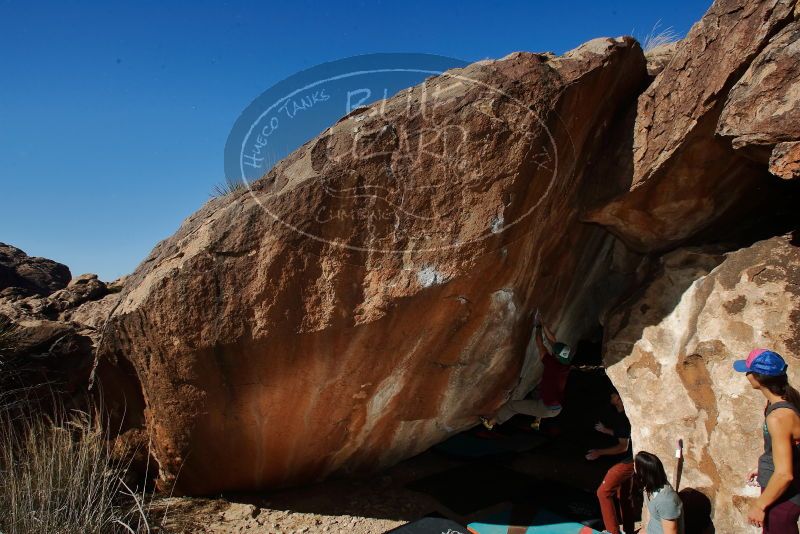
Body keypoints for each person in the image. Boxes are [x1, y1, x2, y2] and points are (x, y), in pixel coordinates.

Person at [734, 348, 800, 532]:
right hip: (777, 490)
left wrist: (760, 505)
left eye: (748, 371)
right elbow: (788, 448)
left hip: (783, 499)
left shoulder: (779, 417)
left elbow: (785, 474)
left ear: (757, 378)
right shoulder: (780, 402)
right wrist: (765, 464)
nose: (746, 374)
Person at [480, 317, 572, 429]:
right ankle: (537, 420)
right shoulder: (565, 364)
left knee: (511, 406)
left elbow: (540, 344)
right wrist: (543, 323)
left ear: (556, 356)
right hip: (556, 406)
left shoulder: (552, 364)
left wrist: (538, 326)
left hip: (546, 408)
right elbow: (553, 341)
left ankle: (491, 423)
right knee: (539, 390)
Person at [587, 388, 635, 534]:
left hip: (627, 461)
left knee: (603, 492)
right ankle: (628, 529)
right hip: (632, 458)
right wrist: (605, 430)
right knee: (624, 495)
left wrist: (598, 453)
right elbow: (623, 433)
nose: (613, 395)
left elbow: (623, 446)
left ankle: (612, 532)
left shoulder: (624, 417)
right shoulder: (623, 415)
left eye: (615, 394)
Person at [635, 451, 684, 534]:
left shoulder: (666, 501)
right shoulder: (651, 485)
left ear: (643, 472)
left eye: (635, 466)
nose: (634, 468)